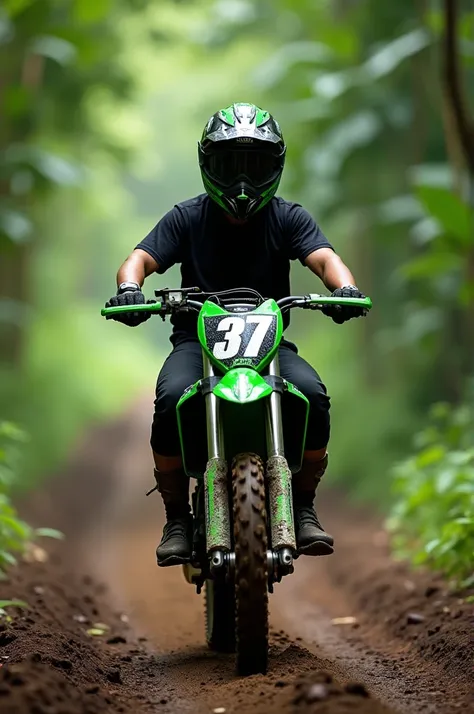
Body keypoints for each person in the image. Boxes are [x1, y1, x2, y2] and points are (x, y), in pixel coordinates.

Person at [105, 102, 367, 567]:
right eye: (230, 165)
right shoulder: (187, 217)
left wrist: (343, 288)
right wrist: (129, 288)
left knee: (312, 394)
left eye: (256, 165)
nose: (242, 180)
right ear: (210, 166)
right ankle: (176, 518)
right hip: (196, 343)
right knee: (169, 399)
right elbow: (140, 258)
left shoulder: (289, 218)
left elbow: (325, 258)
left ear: (276, 167)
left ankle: (303, 505)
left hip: (269, 347)